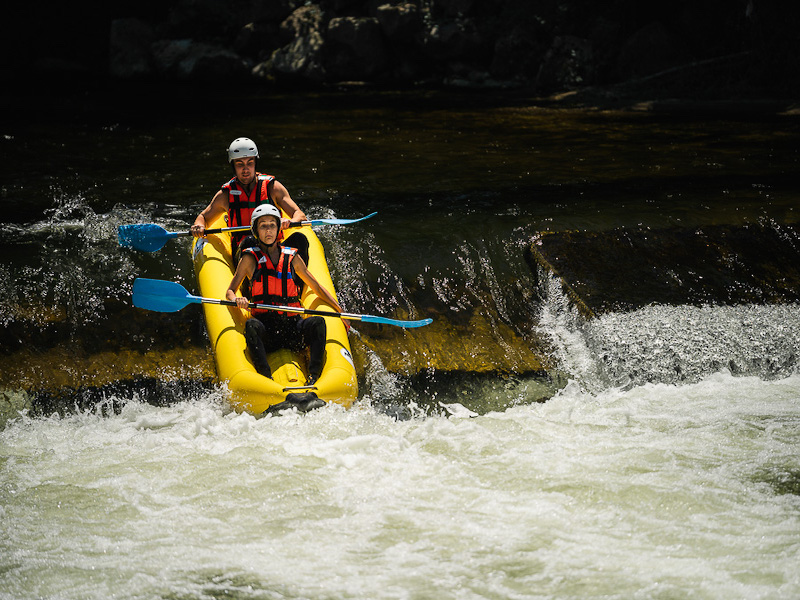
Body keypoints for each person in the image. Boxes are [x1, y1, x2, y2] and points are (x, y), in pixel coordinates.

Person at [226, 203, 344, 386]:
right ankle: (265, 378)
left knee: (318, 322)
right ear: (256, 230)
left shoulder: (292, 257)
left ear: (278, 228)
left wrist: (340, 311)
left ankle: (314, 376)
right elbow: (230, 291)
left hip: (291, 328)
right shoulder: (249, 258)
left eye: (272, 225)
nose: (268, 231)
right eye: (263, 225)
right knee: (251, 325)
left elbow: (316, 287)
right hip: (267, 331)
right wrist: (237, 299)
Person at [191, 137, 309, 265]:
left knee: (299, 239)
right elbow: (203, 217)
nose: (245, 169)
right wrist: (199, 226)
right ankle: (251, 282)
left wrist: (290, 222)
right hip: (244, 253)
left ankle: (296, 281)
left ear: (255, 163)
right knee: (250, 241)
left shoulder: (273, 188)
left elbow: (300, 215)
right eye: (240, 164)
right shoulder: (225, 195)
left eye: (250, 163)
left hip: (275, 250)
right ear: (233, 166)